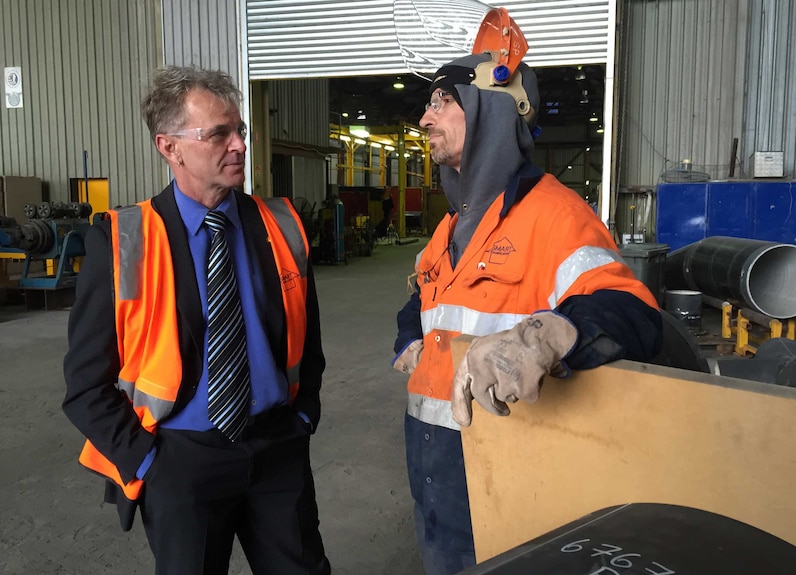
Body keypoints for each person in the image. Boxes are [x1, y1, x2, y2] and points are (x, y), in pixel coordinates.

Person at [392, 52, 663, 575]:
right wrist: (409, 339)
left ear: (490, 112)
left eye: (442, 101)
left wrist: (548, 336)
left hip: (507, 460)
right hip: (431, 458)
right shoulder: (452, 225)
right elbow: (422, 299)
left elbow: (633, 311)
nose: (425, 119)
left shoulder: (555, 215)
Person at [63, 66, 331, 575]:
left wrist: (303, 416)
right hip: (180, 461)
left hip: (277, 449)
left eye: (240, 131)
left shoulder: (280, 225)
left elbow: (307, 341)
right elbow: (84, 384)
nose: (239, 146)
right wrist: (147, 462)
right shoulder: (121, 241)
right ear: (170, 148)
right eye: (218, 134)